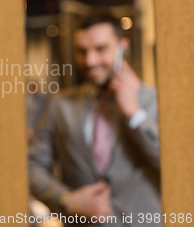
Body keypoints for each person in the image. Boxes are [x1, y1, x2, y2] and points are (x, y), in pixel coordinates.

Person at [29, 14, 160, 226]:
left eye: (101, 49)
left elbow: (176, 166)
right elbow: (32, 167)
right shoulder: (61, 105)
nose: (90, 61)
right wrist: (66, 200)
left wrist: (134, 113)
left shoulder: (155, 101)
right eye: (82, 51)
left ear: (123, 47)